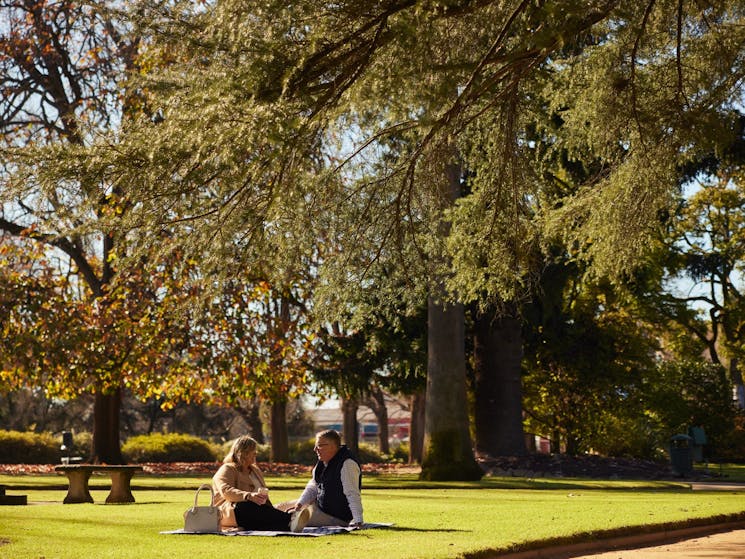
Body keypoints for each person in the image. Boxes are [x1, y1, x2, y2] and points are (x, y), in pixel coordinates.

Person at [212, 435, 310, 532]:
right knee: (246, 506)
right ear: (243, 453)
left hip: (257, 511)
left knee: (262, 513)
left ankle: (289, 525)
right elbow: (226, 491)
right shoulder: (228, 469)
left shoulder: (255, 470)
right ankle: (291, 519)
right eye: (253, 451)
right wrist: (248, 496)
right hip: (232, 512)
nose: (256, 453)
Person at [289, 429, 363, 528]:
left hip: (335, 516)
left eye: (319, 445)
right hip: (319, 507)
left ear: (333, 446)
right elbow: (313, 486)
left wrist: (358, 521)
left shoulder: (347, 463)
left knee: (288, 517)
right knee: (279, 508)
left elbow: (352, 493)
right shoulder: (322, 461)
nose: (315, 449)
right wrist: (301, 503)